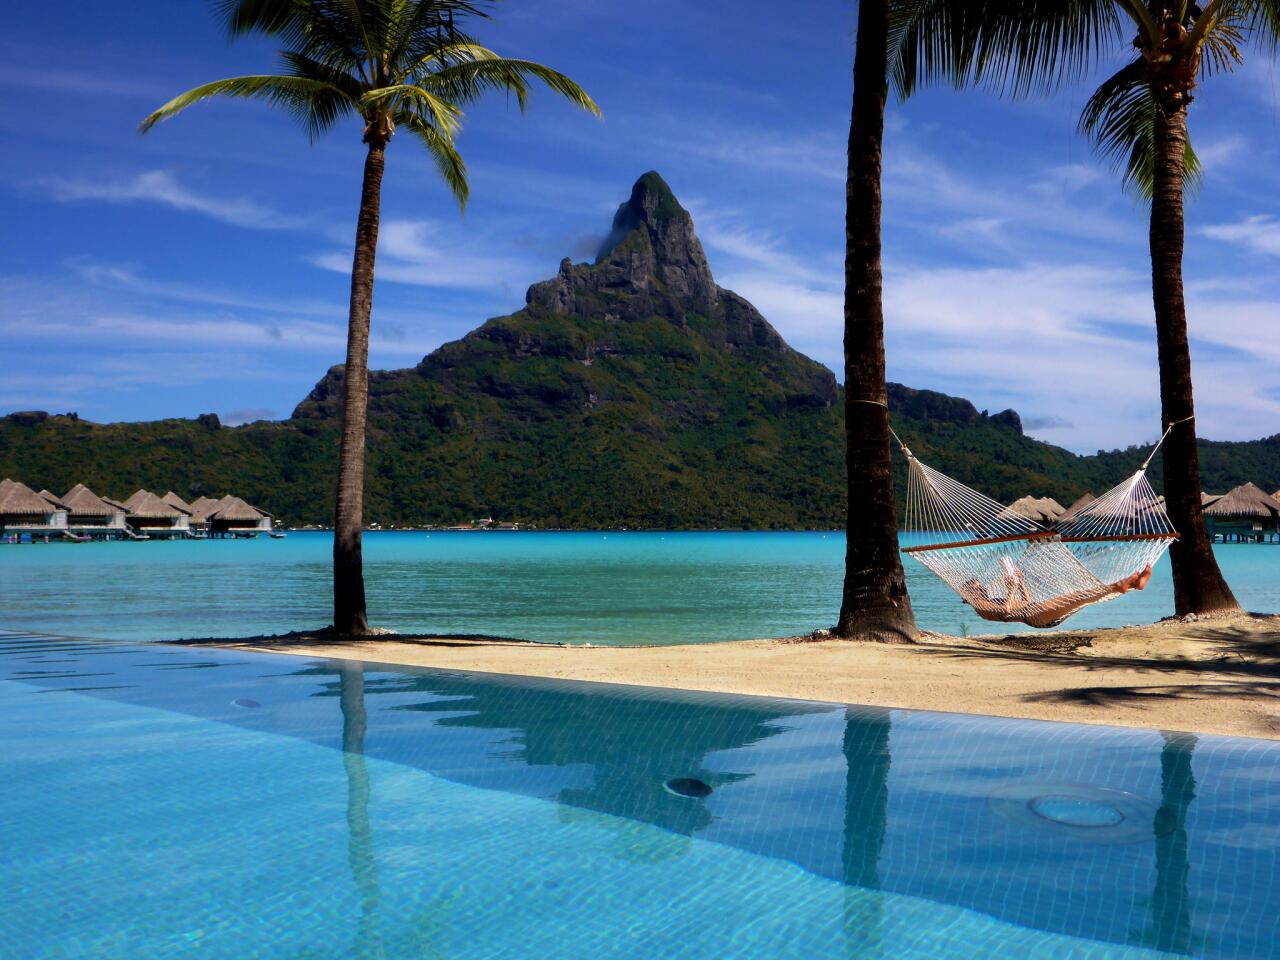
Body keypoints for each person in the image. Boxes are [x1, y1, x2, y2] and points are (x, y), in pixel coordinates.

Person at [959, 564, 1154, 629]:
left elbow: (1026, 601)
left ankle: (1131, 585)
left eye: (981, 587)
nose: (983, 589)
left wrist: (1021, 581)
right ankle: (1120, 586)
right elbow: (1006, 612)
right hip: (1035, 617)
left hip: (1035, 609)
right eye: (978, 588)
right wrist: (1011, 589)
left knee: (1079, 595)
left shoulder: (988, 601)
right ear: (969, 595)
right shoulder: (981, 607)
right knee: (1079, 596)